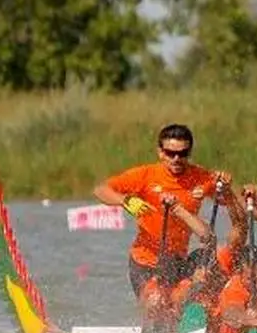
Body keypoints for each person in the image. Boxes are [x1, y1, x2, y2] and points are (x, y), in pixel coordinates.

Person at [93, 124, 218, 297]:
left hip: (177, 260)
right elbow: (100, 190)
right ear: (160, 152)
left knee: (184, 300)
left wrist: (226, 185)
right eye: (170, 153)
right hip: (145, 261)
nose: (176, 159)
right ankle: (150, 319)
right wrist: (125, 200)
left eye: (182, 154)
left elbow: (233, 202)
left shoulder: (201, 177)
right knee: (155, 302)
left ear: (189, 153)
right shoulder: (145, 175)